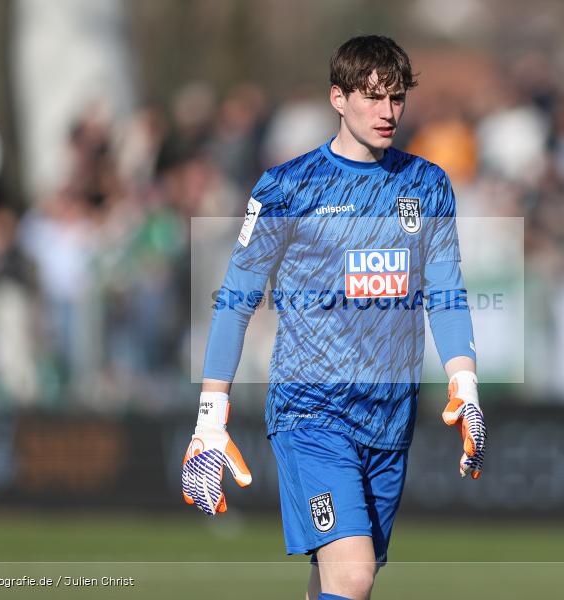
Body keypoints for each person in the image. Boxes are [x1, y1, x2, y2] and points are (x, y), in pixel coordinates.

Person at [181, 35, 486, 600]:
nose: (387, 111)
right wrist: (210, 417)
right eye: (372, 97)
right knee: (353, 574)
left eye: (397, 98)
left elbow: (445, 292)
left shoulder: (427, 185)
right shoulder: (288, 187)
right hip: (311, 412)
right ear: (338, 98)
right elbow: (236, 298)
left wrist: (464, 388)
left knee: (335, 580)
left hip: (390, 416)